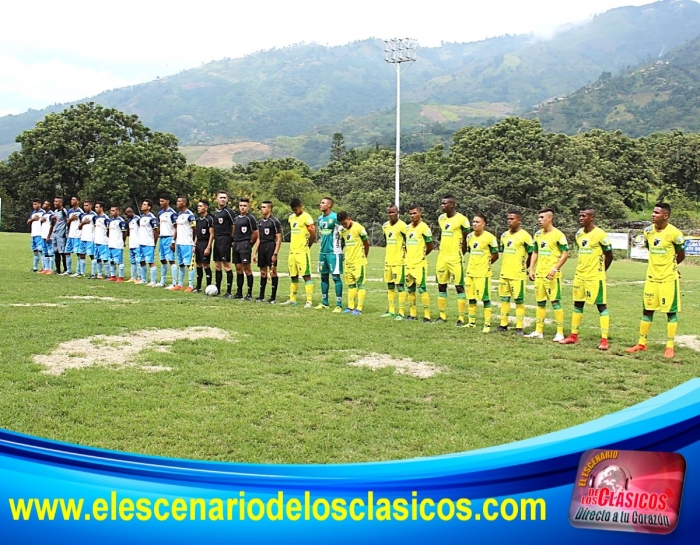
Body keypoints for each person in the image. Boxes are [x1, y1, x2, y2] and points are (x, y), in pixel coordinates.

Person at [626, 203, 685, 359]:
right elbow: (649, 247)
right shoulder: (648, 232)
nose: (653, 215)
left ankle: (670, 345)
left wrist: (672, 266)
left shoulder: (675, 233)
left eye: (656, 212)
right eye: (653, 212)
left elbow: (681, 254)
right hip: (651, 278)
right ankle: (641, 343)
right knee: (647, 310)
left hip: (668, 279)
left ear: (665, 216)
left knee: (670, 312)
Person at [560, 208, 614, 350]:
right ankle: (573, 335)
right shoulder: (579, 234)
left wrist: (601, 270)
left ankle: (604, 339)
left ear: (592, 217)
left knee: (601, 306)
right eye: (580, 215)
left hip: (595, 277)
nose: (581, 218)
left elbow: (610, 256)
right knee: (577, 304)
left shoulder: (601, 235)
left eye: (584, 216)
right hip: (580, 276)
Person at [525, 208, 569, 341]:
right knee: (540, 302)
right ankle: (539, 331)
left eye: (542, 217)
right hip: (539, 274)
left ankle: (560, 332)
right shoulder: (538, 234)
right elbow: (535, 252)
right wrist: (531, 268)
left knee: (555, 302)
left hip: (551, 275)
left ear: (550, 219)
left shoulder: (558, 235)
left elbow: (565, 253)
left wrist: (554, 269)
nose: (539, 220)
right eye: (538, 217)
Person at [495, 210, 534, 335]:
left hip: (517, 274)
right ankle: (503, 324)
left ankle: (519, 327)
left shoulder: (525, 236)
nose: (509, 221)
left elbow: (532, 253)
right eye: (508, 219)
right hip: (504, 273)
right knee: (504, 299)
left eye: (512, 219)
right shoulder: (504, 235)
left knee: (519, 300)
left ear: (519, 220)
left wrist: (526, 267)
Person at [435, 195, 470, 325]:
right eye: (442, 203)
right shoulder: (441, 218)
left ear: (452, 205)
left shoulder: (462, 219)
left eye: (445, 204)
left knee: (459, 286)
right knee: (441, 285)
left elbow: (467, 238)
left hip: (455, 257)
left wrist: (462, 253)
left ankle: (461, 318)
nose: (442, 206)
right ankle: (442, 316)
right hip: (442, 256)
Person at [464, 214, 499, 332]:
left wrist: (487, 264)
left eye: (478, 222)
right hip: (470, 272)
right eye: (473, 222)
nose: (474, 224)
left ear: (484, 224)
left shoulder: (490, 237)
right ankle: (471, 322)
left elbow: (495, 255)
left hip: (483, 274)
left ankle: (487, 324)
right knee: (471, 298)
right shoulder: (469, 237)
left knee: (485, 299)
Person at [281, 198, 316, 308]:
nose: (295, 212)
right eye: (293, 210)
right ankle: (292, 299)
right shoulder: (291, 218)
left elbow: (313, 233)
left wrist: (308, 245)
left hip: (302, 251)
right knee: (293, 276)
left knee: (306, 275)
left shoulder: (307, 217)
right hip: (292, 251)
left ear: (301, 206)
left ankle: (309, 301)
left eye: (296, 209)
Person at [405, 205, 434, 322]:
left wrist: (421, 255)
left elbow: (430, 246)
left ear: (420, 213)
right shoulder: (407, 228)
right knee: (410, 289)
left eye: (414, 213)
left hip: (419, 264)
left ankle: (427, 316)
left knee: (422, 289)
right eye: (411, 214)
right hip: (408, 264)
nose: (412, 216)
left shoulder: (424, 227)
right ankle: (413, 314)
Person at [338, 211, 369, 315]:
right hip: (348, 262)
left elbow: (366, 243)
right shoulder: (342, 230)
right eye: (342, 224)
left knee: (360, 285)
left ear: (349, 218)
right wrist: (342, 254)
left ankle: (359, 308)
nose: (344, 225)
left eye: (345, 223)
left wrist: (365, 256)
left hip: (358, 262)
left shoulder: (359, 228)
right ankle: (350, 307)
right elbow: (342, 243)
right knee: (350, 285)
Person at [316, 197, 344, 312]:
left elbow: (343, 234)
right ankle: (324, 302)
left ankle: (338, 304)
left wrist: (341, 250)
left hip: (334, 253)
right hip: (323, 252)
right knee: (323, 277)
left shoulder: (335, 218)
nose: (320, 204)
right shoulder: (319, 219)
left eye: (323, 203)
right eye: (320, 202)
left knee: (335, 277)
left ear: (329, 205)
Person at [381, 205, 408, 320]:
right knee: (390, 285)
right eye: (389, 212)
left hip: (399, 261)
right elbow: (386, 240)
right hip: (388, 260)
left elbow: (408, 241)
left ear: (398, 212)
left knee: (400, 286)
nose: (391, 214)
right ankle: (391, 310)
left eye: (393, 212)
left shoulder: (403, 226)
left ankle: (401, 312)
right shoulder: (385, 226)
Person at [253, 200, 283, 303]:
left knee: (273, 272)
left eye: (264, 207)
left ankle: (273, 298)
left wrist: (275, 253)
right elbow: (259, 238)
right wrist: (255, 252)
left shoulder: (274, 221)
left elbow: (279, 238)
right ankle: (261, 296)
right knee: (263, 272)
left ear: (269, 208)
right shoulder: (260, 222)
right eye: (261, 207)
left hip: (271, 246)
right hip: (262, 248)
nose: (262, 209)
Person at [232, 197, 258, 300]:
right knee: (238, 269)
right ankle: (239, 292)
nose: (242, 208)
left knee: (247, 269)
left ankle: (249, 293)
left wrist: (250, 244)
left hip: (245, 244)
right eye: (241, 206)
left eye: (245, 206)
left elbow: (255, 233)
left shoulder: (250, 218)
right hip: (236, 245)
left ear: (248, 207)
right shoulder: (236, 218)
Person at [212, 191, 236, 299]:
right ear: (216, 199)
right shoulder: (216, 213)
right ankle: (217, 288)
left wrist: (231, 239)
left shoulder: (229, 212)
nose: (222, 199)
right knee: (217, 266)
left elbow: (233, 226)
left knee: (226, 266)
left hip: (225, 239)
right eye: (220, 197)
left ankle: (229, 291)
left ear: (227, 200)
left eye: (224, 198)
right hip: (217, 240)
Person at [170, 196, 197, 292]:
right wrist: (173, 241)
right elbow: (177, 228)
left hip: (187, 243)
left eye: (179, 201)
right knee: (180, 264)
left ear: (184, 203)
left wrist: (194, 242)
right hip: (179, 243)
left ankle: (190, 285)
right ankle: (180, 284)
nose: (177, 203)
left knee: (189, 264)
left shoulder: (190, 215)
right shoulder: (178, 214)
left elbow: (194, 229)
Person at [193, 199, 215, 293]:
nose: (199, 208)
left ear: (206, 208)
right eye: (198, 206)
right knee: (198, 264)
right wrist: (194, 244)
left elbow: (212, 234)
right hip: (198, 244)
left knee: (206, 265)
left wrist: (208, 247)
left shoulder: (209, 219)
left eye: (200, 206)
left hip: (205, 243)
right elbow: (197, 234)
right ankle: (198, 286)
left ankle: (208, 286)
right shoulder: (197, 220)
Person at [157, 195, 178, 288]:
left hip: (169, 237)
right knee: (162, 259)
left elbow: (176, 228)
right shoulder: (160, 213)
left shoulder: (172, 213)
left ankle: (174, 283)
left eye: (162, 201)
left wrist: (173, 241)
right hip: (161, 238)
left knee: (171, 260)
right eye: (160, 201)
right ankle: (162, 281)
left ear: (167, 201)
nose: (161, 203)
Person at [138, 199, 159, 286]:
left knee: (150, 262)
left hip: (148, 243)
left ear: (149, 207)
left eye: (144, 204)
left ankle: (153, 281)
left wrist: (153, 242)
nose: (142, 206)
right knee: (141, 261)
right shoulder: (141, 217)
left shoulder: (152, 218)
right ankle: (143, 279)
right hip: (141, 242)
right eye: (142, 204)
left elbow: (156, 231)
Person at [76, 200, 96, 278]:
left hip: (91, 238)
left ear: (91, 206)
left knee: (92, 255)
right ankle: (82, 272)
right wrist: (83, 223)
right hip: (83, 237)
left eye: (87, 205)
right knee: (82, 255)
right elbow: (79, 227)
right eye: (84, 205)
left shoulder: (94, 215)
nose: (85, 207)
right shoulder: (82, 215)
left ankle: (93, 273)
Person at [107, 205, 127, 282]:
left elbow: (124, 233)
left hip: (118, 244)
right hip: (111, 243)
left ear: (118, 211)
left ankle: (121, 277)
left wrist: (123, 242)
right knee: (111, 261)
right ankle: (113, 276)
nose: (111, 212)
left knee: (119, 261)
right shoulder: (110, 221)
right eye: (111, 210)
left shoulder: (121, 221)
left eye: (113, 210)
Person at [65, 197, 83, 275]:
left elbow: (82, 224)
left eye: (73, 199)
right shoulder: (70, 211)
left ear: (78, 201)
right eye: (71, 199)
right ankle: (68, 271)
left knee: (78, 253)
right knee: (67, 252)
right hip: (70, 235)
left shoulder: (81, 212)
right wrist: (71, 219)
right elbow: (67, 222)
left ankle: (78, 271)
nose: (72, 201)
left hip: (78, 235)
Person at [51, 197, 69, 274]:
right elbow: (54, 223)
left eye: (56, 201)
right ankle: (58, 270)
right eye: (54, 201)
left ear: (60, 203)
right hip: (55, 234)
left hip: (61, 235)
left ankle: (65, 269)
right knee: (56, 252)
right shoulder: (55, 211)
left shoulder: (64, 211)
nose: (54, 203)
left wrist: (66, 233)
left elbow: (67, 222)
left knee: (62, 253)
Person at [92, 201, 110, 279]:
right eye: (95, 207)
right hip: (96, 241)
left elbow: (108, 229)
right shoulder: (95, 217)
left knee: (105, 259)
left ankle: (107, 274)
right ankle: (99, 274)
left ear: (101, 208)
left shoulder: (105, 218)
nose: (95, 209)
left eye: (97, 207)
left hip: (103, 241)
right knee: (97, 258)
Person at [124, 206, 142, 283]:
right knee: (133, 261)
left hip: (137, 243)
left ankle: (140, 277)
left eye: (127, 214)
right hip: (131, 243)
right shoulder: (129, 221)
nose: (126, 216)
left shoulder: (137, 219)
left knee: (138, 261)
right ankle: (132, 277)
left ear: (130, 212)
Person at [27, 198, 44, 272]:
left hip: (40, 234)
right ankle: (35, 267)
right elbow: (28, 222)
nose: (34, 206)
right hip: (33, 234)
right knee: (35, 251)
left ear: (40, 204)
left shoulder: (43, 212)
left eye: (35, 204)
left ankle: (44, 267)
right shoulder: (33, 213)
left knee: (41, 251)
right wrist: (33, 219)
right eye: (33, 204)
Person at [39, 200, 55, 274]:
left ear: (49, 206)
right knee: (45, 252)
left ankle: (51, 269)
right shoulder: (44, 214)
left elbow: (52, 225)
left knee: (50, 252)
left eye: (45, 204)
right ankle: (46, 268)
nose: (43, 204)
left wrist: (49, 236)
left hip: (49, 236)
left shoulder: (51, 214)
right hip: (43, 235)